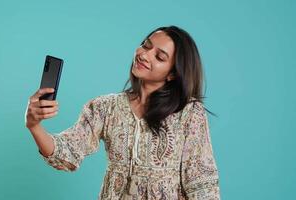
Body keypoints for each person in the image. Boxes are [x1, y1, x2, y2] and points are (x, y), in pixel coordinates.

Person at [25, 25, 221, 200]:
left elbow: (201, 182)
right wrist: (34, 126)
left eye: (159, 56)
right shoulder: (105, 107)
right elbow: (67, 154)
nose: (144, 54)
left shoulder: (188, 112)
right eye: (145, 45)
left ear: (172, 74)